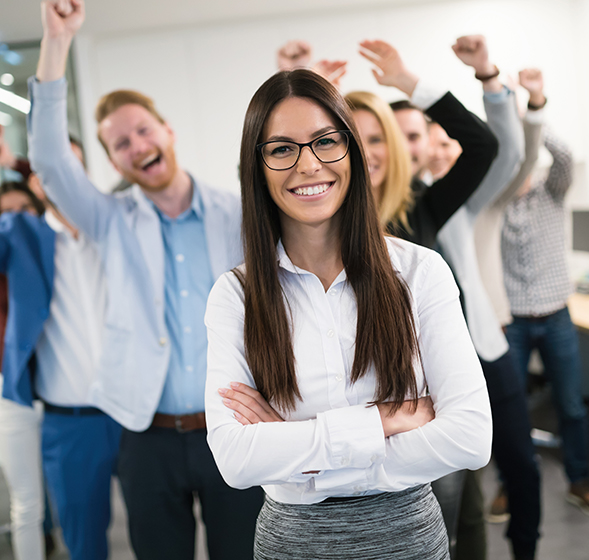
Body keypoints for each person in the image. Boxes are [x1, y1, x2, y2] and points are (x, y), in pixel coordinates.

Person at [204, 68, 492, 560]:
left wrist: (302, 455)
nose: (308, 164)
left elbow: (470, 437)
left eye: (325, 141)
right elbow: (235, 459)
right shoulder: (237, 294)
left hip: (409, 540)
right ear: (258, 166)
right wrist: (382, 421)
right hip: (291, 545)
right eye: (281, 149)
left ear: (352, 151)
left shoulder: (420, 272)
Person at [29, 1, 263, 558]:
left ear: (167, 129)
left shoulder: (238, 214)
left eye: (142, 130)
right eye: (121, 143)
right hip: (144, 435)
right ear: (113, 159)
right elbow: (49, 161)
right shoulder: (108, 221)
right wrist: (56, 42)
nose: (137, 146)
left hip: (233, 428)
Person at [344, 37, 499, 558]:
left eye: (375, 138)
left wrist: (409, 83)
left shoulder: (421, 212)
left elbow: (482, 146)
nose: (366, 152)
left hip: (435, 418)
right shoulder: (312, 234)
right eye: (349, 138)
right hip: (352, 427)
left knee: (462, 528)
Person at [432, 36, 541, 560]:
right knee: (457, 493)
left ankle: (526, 549)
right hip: (430, 369)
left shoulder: (466, 200)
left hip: (486, 344)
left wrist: (487, 76)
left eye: (428, 134)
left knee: (518, 461)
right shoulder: (396, 211)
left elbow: (511, 154)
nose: (426, 145)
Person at [501, 120, 589, 514]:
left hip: (556, 316)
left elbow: (566, 156)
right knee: (511, 409)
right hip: (513, 322)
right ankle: (510, 485)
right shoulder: (494, 203)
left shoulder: (552, 193)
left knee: (570, 405)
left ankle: (580, 479)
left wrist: (529, 120)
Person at [473, 68, 545, 521]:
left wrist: (530, 108)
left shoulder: (482, 203)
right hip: (443, 351)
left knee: (517, 451)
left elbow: (521, 158)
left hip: (494, 336)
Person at [0, 181, 47, 560]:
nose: (16, 222)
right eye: (5, 215)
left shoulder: (56, 256)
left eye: (24, 212)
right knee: (28, 503)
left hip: (60, 394)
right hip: (12, 394)